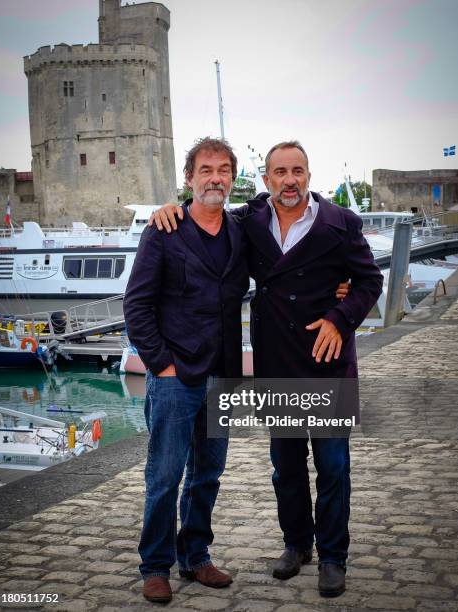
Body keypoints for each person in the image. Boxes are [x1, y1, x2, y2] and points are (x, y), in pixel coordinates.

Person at [150, 140, 383, 598]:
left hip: (327, 363)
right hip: (277, 361)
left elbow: (369, 280)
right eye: (280, 172)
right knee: (286, 468)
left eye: (297, 171)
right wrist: (169, 208)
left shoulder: (340, 223)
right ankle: (297, 545)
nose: (289, 180)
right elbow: (205, 207)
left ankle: (333, 556)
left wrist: (340, 318)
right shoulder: (251, 221)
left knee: (333, 466)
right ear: (266, 180)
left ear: (309, 176)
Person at [123, 137, 249, 603]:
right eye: (206, 170)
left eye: (223, 170)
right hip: (176, 378)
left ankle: (195, 557)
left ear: (232, 177)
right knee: (165, 475)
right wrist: (163, 366)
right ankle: (155, 566)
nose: (215, 178)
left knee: (208, 474)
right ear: (190, 178)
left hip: (223, 375)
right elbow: (136, 306)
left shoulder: (242, 230)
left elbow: (285, 224)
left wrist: (338, 288)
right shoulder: (164, 230)